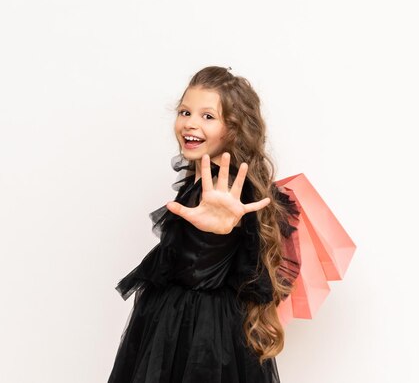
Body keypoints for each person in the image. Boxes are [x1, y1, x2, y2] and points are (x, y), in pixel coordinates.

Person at [107, 66, 300, 383]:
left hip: (199, 336)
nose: (191, 123)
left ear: (233, 129)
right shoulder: (200, 181)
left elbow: (201, 273)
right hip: (184, 325)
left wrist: (212, 237)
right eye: (185, 111)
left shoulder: (226, 193)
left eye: (208, 116)